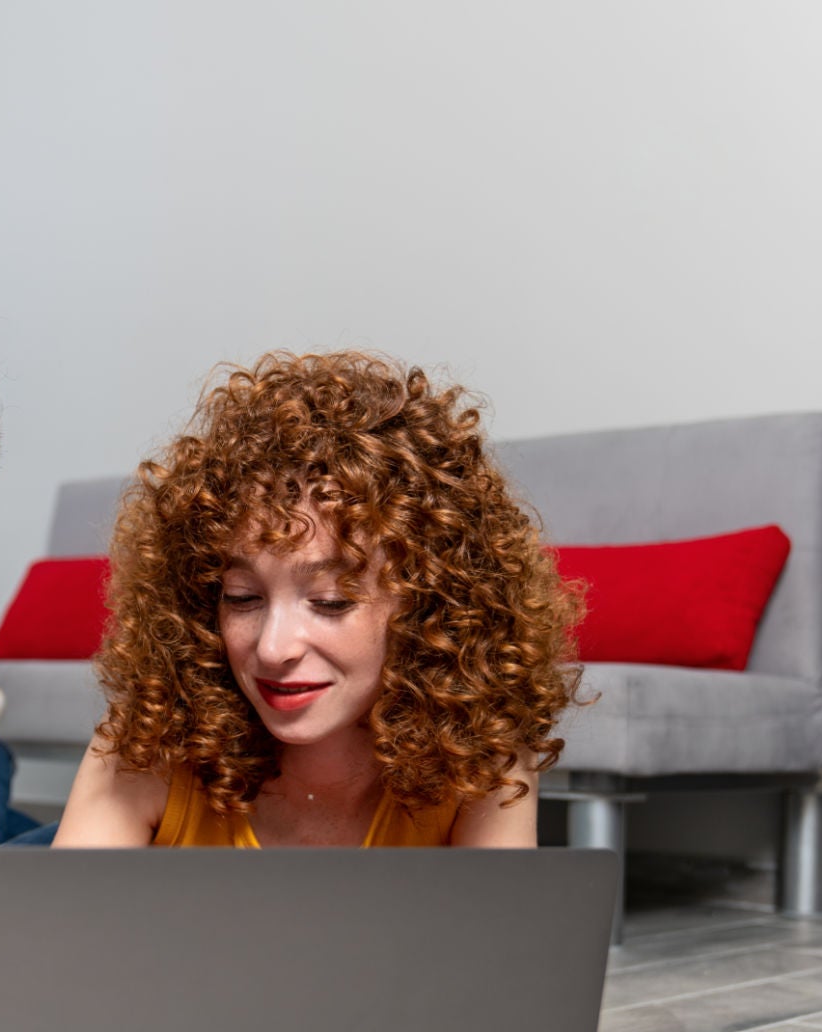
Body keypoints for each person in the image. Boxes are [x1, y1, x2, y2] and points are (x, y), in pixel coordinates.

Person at [53, 350, 579, 850]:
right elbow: (58, 932)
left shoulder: (481, 756)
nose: (272, 648)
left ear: (429, 608)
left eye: (331, 601)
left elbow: (496, 941)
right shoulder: (149, 744)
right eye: (242, 598)